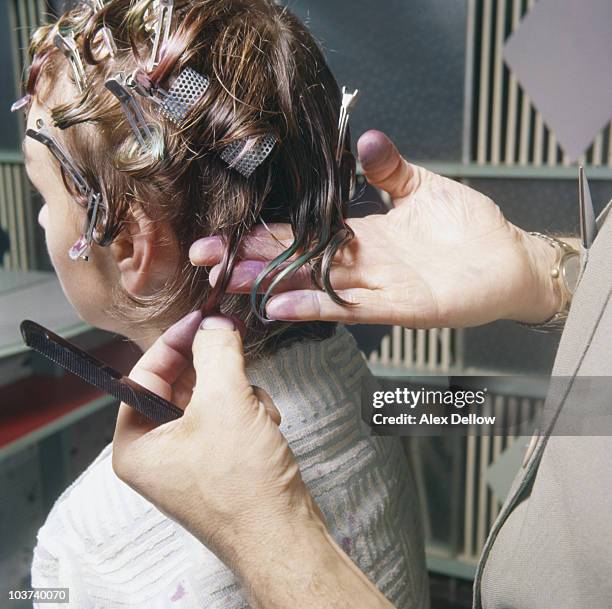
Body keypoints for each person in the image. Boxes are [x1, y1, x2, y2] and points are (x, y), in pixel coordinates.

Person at [21, 2, 428, 608]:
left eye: (45, 195)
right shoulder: (340, 371)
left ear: (128, 241)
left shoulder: (87, 548)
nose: (39, 217)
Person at [115, 129, 612, 609]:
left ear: (128, 243)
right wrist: (548, 273)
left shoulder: (88, 546)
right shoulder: (350, 384)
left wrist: (262, 531)